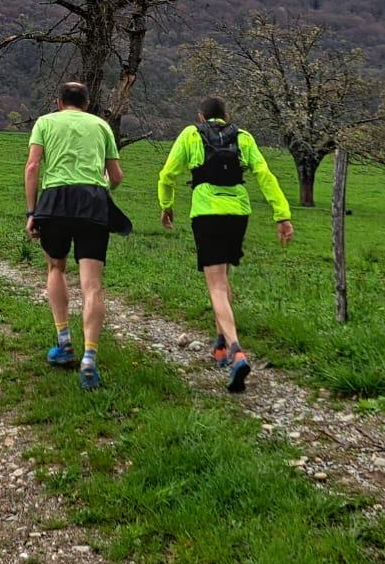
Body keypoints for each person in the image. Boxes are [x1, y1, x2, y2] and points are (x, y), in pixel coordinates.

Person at [157, 96, 293, 392]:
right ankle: (220, 344)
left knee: (216, 285)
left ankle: (236, 351)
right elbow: (264, 175)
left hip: (206, 212)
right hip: (238, 213)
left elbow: (167, 174)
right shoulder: (243, 137)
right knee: (224, 275)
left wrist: (167, 206)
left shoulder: (191, 134)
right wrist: (282, 215)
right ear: (226, 116)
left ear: (201, 117)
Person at [25, 81, 124, 390]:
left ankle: (64, 342)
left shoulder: (45, 123)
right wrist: (97, 186)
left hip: (54, 200)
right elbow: (117, 176)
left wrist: (32, 212)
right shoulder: (101, 126)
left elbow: (32, 167)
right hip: (93, 203)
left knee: (56, 267)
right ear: (87, 103)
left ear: (59, 102)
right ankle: (90, 359)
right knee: (92, 284)